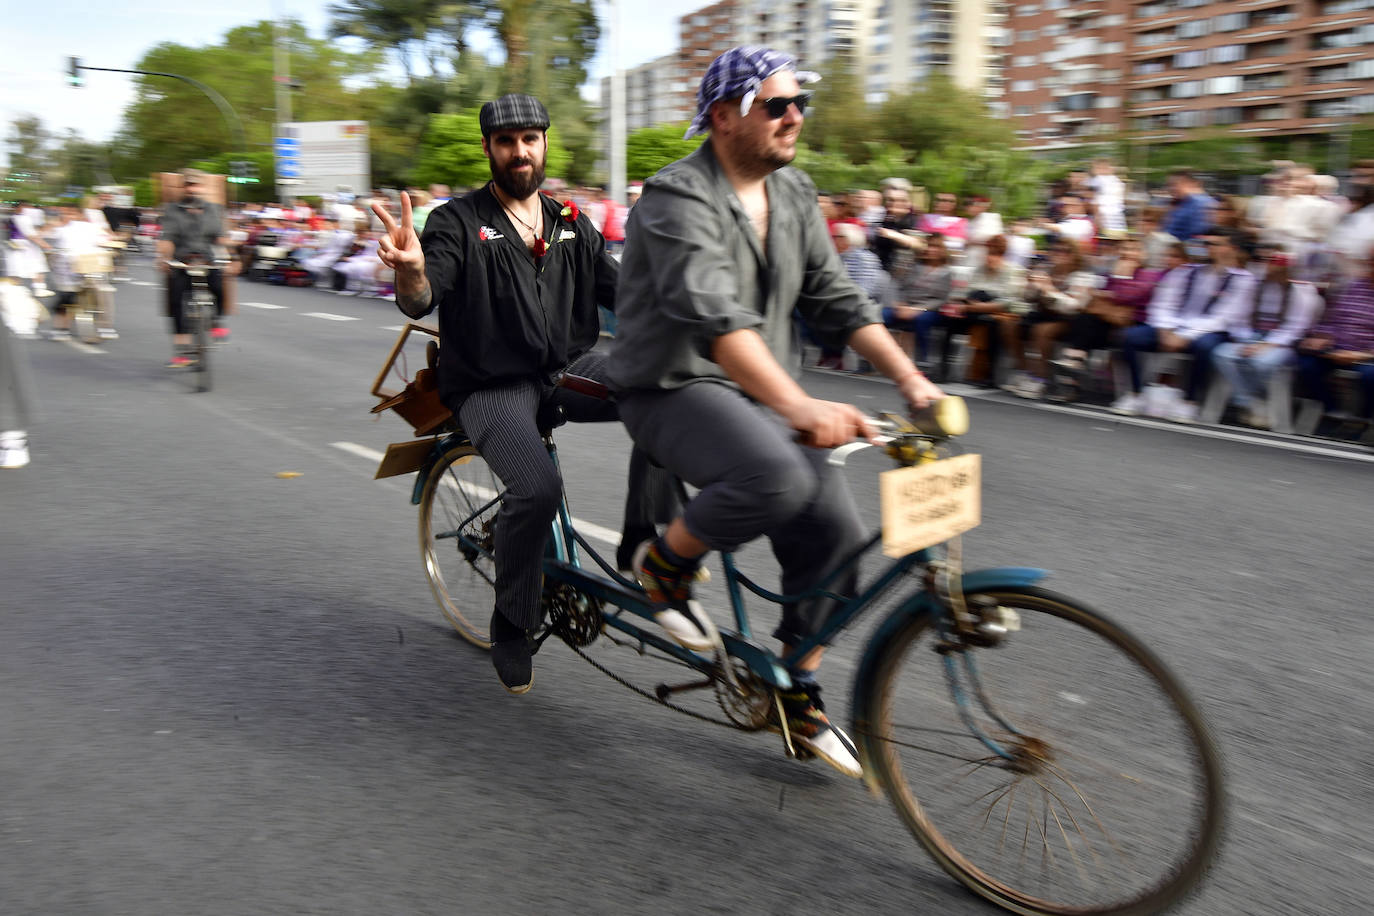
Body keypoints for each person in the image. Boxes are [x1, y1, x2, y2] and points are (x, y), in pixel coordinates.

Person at [606, 47, 945, 778]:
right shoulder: (674, 198)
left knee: (839, 543)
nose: (795, 117)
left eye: (800, 105)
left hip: (761, 392)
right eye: (777, 106)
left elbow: (838, 299)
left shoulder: (793, 196)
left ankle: (795, 688)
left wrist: (912, 382)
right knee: (776, 477)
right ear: (724, 117)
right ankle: (663, 569)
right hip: (673, 386)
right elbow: (715, 319)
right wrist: (799, 404)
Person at [370, 93, 673, 695]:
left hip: (564, 368)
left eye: (529, 139)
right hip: (488, 384)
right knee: (536, 489)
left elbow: (625, 294)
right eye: (506, 141)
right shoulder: (455, 221)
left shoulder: (569, 221)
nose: (519, 152)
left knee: (668, 396)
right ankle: (512, 615)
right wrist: (410, 268)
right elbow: (424, 294)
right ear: (488, 148)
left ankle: (644, 548)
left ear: (543, 143)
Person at [1114, 228, 1254, 421]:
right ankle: (1136, 394)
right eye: (1206, 244)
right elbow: (1164, 302)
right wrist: (1165, 330)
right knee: (1130, 337)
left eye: (1213, 244)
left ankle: (1190, 402)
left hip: (1213, 330)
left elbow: (1225, 316)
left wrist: (1185, 335)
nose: (1207, 249)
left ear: (1230, 248)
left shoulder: (1243, 280)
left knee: (1205, 346)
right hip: (1174, 326)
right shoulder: (1185, 272)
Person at [1211, 253, 1322, 428]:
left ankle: (1250, 399)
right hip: (1251, 337)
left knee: (1262, 363)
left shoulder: (1301, 292)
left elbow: (1295, 328)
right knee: (1221, 354)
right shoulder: (1254, 287)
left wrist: (1266, 345)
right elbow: (1240, 318)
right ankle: (1251, 401)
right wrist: (1246, 340)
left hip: (1281, 344)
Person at [158, 169, 229, 368]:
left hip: (207, 259)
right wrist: (163, 258)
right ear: (183, 187)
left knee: (219, 287)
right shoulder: (172, 210)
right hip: (181, 260)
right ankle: (181, 350)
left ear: (203, 188)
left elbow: (220, 238)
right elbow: (167, 238)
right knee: (175, 301)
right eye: (188, 185)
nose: (192, 189)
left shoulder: (214, 209)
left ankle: (217, 324)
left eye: (196, 185)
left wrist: (233, 255)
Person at [1295, 259, 1374, 436]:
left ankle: (1362, 418)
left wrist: (1359, 355)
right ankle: (1332, 410)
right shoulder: (1354, 286)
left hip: (1366, 355)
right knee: (1307, 364)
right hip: (1338, 347)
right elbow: (1332, 319)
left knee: (1370, 376)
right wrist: (1323, 336)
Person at [1162, 169, 1215, 242]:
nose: (1171, 189)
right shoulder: (1181, 202)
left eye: (1174, 184)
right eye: (1169, 185)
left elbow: (1198, 236)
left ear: (1189, 183)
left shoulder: (1199, 203)